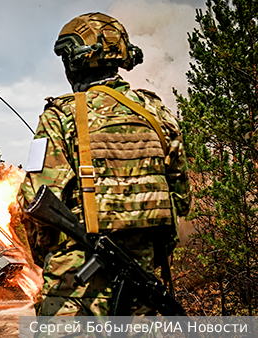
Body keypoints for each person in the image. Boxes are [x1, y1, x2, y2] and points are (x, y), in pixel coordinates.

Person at [17, 12, 191, 316]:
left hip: (74, 290)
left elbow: (34, 199)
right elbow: (179, 200)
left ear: (74, 62)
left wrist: (49, 256)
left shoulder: (60, 116)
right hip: (142, 278)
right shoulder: (157, 113)